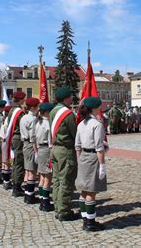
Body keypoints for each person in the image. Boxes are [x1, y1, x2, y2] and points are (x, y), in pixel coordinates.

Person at [75, 97, 107, 231]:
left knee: (83, 191)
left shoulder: (81, 124)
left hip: (82, 157)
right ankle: (90, 222)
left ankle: (85, 219)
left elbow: (77, 145)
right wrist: (102, 165)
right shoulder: (97, 124)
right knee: (91, 192)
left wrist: (79, 160)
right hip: (93, 157)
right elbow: (99, 147)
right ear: (95, 108)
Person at [49, 87, 78, 221]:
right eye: (70, 96)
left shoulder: (53, 111)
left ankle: (57, 206)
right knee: (66, 180)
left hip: (55, 148)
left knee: (56, 180)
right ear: (66, 98)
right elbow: (74, 133)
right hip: (65, 150)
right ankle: (64, 211)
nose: (72, 98)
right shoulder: (67, 114)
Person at [33, 102, 55, 212]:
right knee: (48, 177)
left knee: (41, 176)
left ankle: (42, 200)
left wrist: (36, 151)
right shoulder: (48, 124)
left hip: (40, 149)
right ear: (47, 112)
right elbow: (51, 141)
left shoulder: (37, 122)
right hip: (47, 150)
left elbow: (33, 139)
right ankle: (46, 202)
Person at [21, 97, 40, 204]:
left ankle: (28, 193)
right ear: (33, 107)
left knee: (28, 170)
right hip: (31, 144)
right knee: (32, 171)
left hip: (25, 143)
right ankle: (30, 195)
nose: (38, 109)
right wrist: (36, 151)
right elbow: (33, 136)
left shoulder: (24, 117)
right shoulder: (32, 119)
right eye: (37, 106)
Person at [7, 91, 27, 197]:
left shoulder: (11, 110)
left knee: (15, 161)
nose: (24, 100)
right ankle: (17, 186)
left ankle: (15, 182)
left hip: (13, 137)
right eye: (23, 99)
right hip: (19, 137)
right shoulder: (20, 112)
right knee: (19, 162)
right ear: (19, 100)